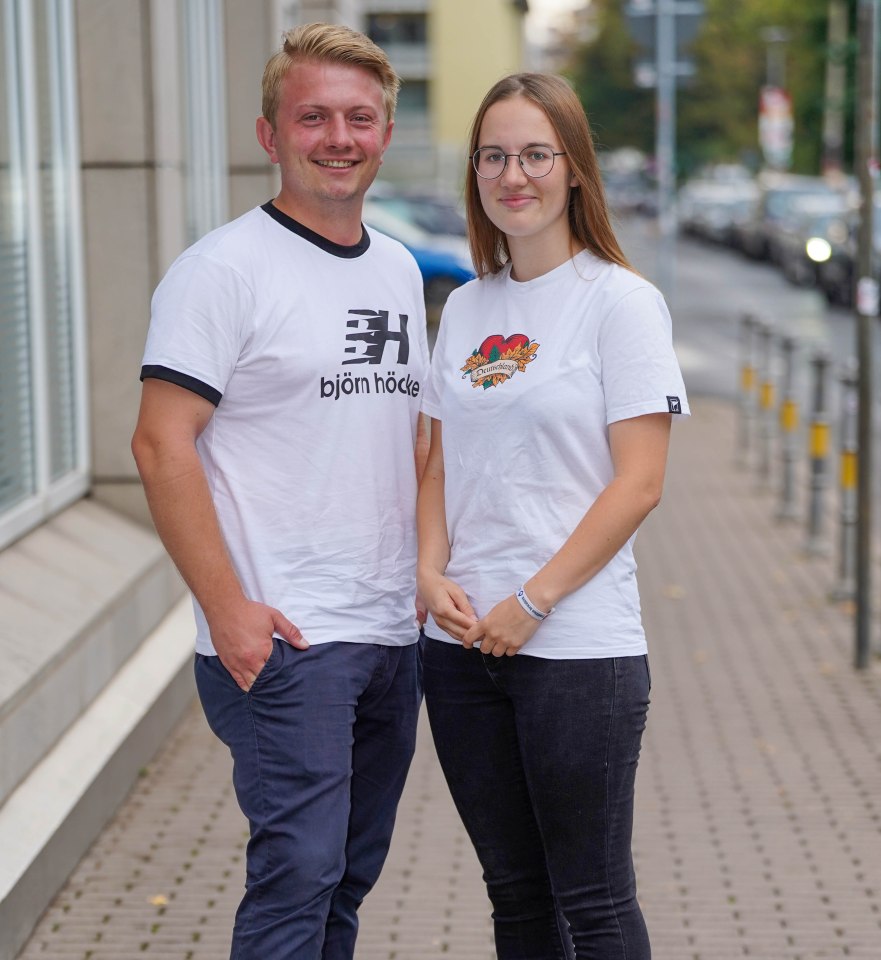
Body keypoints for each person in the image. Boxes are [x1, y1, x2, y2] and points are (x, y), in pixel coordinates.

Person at [131, 23, 429, 960]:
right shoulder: (222, 270)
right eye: (313, 118)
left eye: (359, 118)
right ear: (270, 135)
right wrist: (229, 612)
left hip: (387, 631)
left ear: (385, 131)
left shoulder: (397, 268)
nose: (337, 137)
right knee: (296, 873)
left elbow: (412, 443)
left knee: (344, 873)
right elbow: (159, 443)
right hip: (286, 637)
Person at [416, 72, 689, 960]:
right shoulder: (465, 305)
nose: (512, 174)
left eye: (534, 153)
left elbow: (637, 482)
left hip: (575, 649)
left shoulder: (620, 302)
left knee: (593, 900)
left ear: (573, 169)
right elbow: (436, 459)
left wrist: (531, 602)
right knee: (516, 896)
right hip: (461, 650)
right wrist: (429, 574)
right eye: (493, 155)